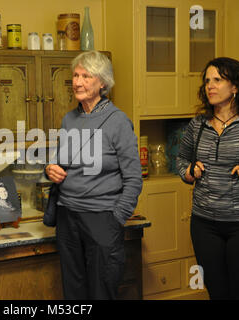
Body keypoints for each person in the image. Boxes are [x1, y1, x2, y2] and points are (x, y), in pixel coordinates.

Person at [45, 51, 143, 299]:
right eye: (75, 75)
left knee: (101, 291)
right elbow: (61, 162)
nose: (77, 82)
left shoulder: (118, 121)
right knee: (73, 291)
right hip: (67, 216)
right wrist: (50, 169)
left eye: (86, 76)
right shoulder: (69, 119)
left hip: (102, 217)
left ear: (102, 82)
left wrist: (115, 219)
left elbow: (133, 179)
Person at [177, 57, 239, 299]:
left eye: (218, 80)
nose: (210, 85)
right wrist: (189, 172)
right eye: (207, 80)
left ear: (235, 86)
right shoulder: (197, 125)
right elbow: (181, 160)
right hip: (204, 225)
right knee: (218, 294)